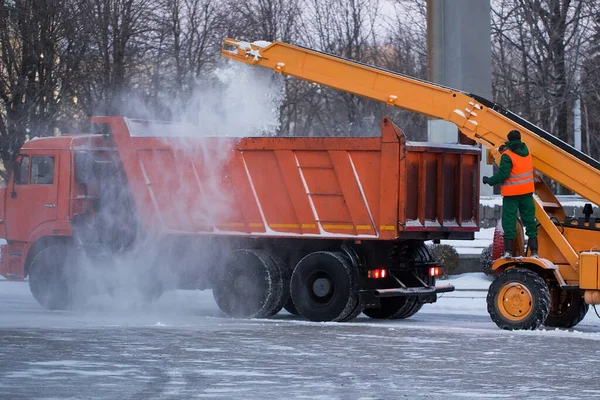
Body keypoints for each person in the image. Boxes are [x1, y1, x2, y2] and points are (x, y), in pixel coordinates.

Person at [483, 130, 537, 258]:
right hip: (527, 193)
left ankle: (507, 251)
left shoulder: (507, 156)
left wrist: (489, 181)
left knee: (509, 222)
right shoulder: (526, 151)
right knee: (530, 221)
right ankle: (534, 251)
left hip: (512, 195)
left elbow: (503, 174)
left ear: (509, 140)